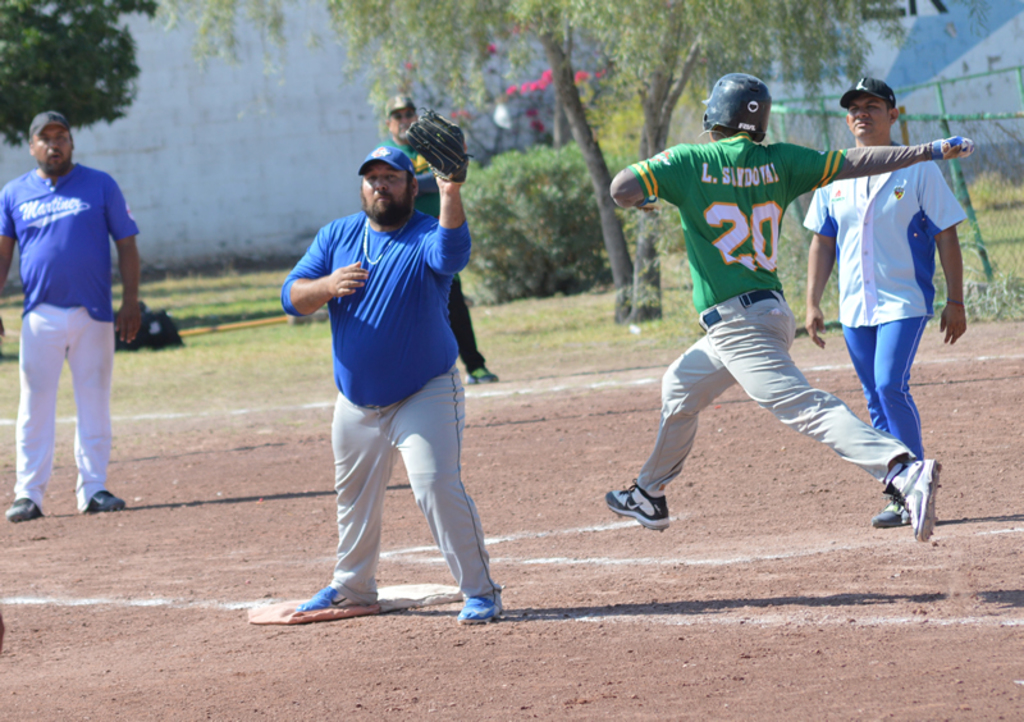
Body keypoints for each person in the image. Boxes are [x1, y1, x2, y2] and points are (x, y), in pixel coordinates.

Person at [603, 73, 974, 543]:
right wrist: (929, 150)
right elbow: (863, 162)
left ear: (715, 116)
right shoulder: (782, 161)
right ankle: (648, 493)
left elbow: (621, 189)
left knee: (803, 406)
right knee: (679, 386)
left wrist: (648, 195)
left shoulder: (689, 159)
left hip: (739, 322)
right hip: (764, 314)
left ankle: (900, 468)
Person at [281, 145, 502, 624]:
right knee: (354, 498)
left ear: (410, 185)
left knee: (435, 485)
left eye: (391, 177)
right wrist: (326, 286)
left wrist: (450, 192)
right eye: (372, 178)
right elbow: (291, 297)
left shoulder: (424, 233)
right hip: (356, 402)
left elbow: (452, 254)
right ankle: (354, 586)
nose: (380, 185)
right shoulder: (336, 236)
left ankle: (480, 590)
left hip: (424, 391)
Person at [803, 78, 967, 530]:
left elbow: (946, 234)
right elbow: (822, 240)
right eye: (854, 107)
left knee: (889, 383)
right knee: (875, 399)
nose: (862, 113)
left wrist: (956, 300)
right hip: (855, 307)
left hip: (904, 300)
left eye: (872, 105)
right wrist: (813, 302)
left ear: (894, 116)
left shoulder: (919, 168)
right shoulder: (833, 173)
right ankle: (900, 494)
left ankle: (918, 483)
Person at [1, 111, 141, 523]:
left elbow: (127, 245)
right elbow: (3, 254)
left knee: (94, 401)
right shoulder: (13, 193)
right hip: (39, 315)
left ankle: (93, 488)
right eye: (45, 138)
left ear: (72, 143)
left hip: (93, 313)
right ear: (31, 146)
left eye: (61, 136)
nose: (54, 144)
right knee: (35, 405)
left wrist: (130, 301)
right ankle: (29, 495)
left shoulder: (100, 185)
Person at [382, 95, 498, 385]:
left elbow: (447, 180)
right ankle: (399, 373)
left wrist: (447, 172)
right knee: (402, 311)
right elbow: (402, 186)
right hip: (404, 245)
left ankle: (476, 366)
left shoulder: (428, 149)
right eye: (398, 115)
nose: (405, 118)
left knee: (454, 305)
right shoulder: (386, 154)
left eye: (409, 112)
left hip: (438, 239)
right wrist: (435, 179)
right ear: (389, 123)